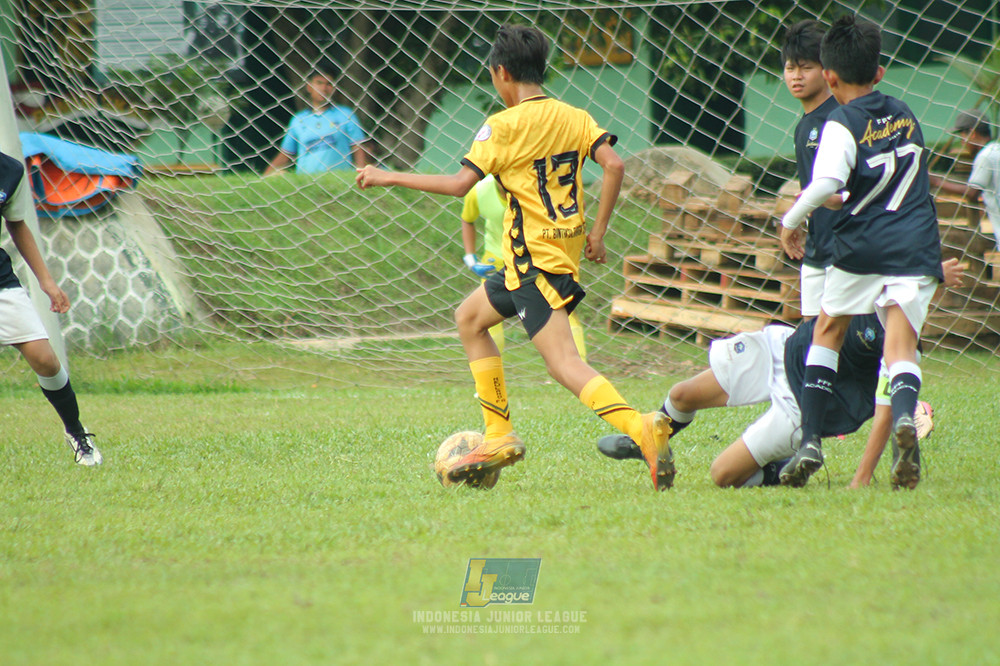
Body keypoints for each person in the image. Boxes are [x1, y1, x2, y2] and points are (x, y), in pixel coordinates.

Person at [358, 24, 673, 490]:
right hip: (546, 259)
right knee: (469, 318)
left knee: (565, 364)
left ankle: (640, 427)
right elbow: (615, 165)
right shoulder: (576, 116)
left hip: (534, 267)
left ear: (500, 73)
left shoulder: (501, 127)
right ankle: (498, 432)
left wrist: (388, 176)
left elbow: (460, 185)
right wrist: (598, 232)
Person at [779, 15, 943, 489]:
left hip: (862, 246)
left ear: (829, 77)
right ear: (880, 72)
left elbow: (827, 184)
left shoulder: (840, 122)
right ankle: (906, 416)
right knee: (900, 344)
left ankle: (810, 439)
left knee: (826, 330)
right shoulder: (905, 112)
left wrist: (791, 221)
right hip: (915, 244)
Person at [0, 150, 100, 465]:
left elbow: (17, 224)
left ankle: (76, 432)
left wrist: (46, 281)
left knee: (45, 359)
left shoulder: (9, 171)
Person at [459, 174, 587, 359]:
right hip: (496, 261)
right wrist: (470, 256)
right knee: (480, 318)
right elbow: (467, 218)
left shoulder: (540, 189)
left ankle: (579, 368)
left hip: (536, 261)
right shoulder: (479, 191)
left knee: (563, 309)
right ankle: (489, 384)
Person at [782, 20, 840, 319]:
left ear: (826, 70)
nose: (796, 76)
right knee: (810, 335)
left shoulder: (840, 119)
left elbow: (838, 191)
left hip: (846, 252)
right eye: (790, 68)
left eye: (805, 68)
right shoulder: (805, 125)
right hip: (818, 248)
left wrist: (792, 217)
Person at [264, 67, 368, 175]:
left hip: (338, 181)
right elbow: (285, 153)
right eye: (319, 83)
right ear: (309, 87)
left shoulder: (345, 114)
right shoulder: (298, 120)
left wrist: (361, 173)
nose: (324, 88)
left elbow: (358, 148)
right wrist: (263, 179)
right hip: (306, 184)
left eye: (329, 84)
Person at [928, 109, 1000, 250]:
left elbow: (972, 192)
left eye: (962, 136)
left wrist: (935, 181)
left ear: (971, 133)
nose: (962, 142)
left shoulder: (985, 156)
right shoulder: (996, 149)